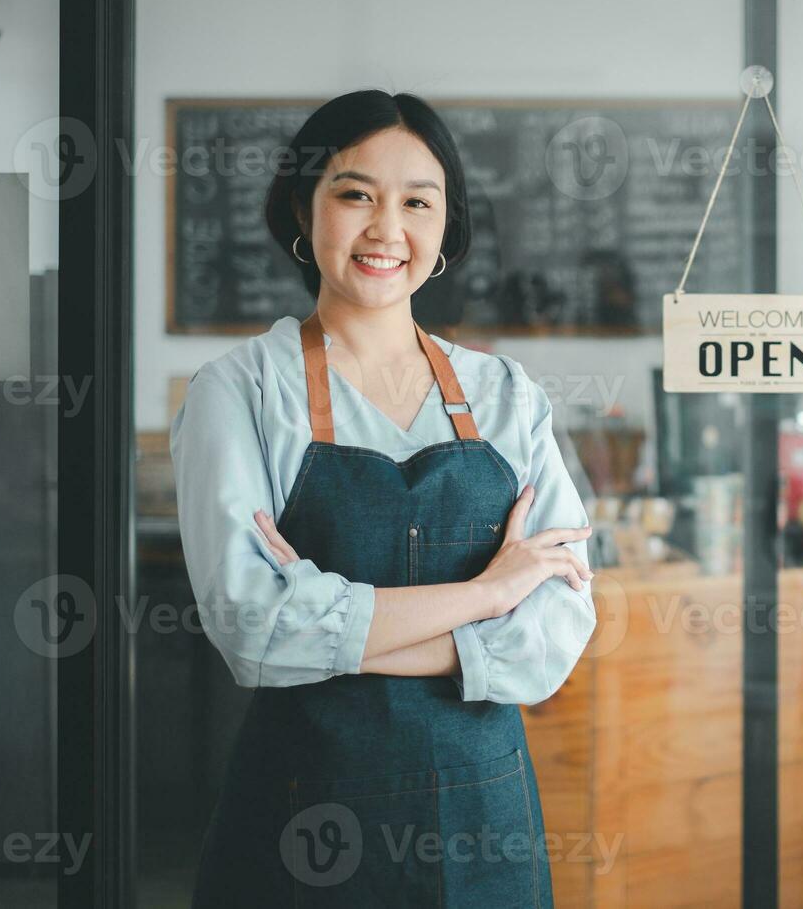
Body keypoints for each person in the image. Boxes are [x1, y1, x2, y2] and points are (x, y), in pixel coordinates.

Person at [169, 89, 596, 907]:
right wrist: (486, 595)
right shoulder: (241, 392)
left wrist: (327, 624)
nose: (385, 228)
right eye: (355, 193)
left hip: (486, 821)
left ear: (445, 229)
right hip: (304, 818)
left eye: (416, 202)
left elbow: (556, 635)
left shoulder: (506, 394)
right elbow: (251, 630)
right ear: (305, 207)